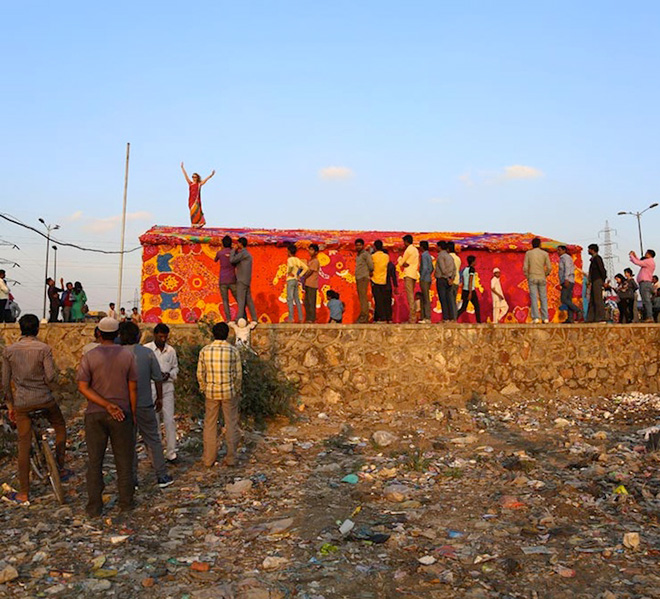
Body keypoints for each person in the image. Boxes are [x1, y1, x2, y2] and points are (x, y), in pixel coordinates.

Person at [2, 314, 70, 504]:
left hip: (22, 403)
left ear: (20, 329)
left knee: (23, 444)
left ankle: (24, 493)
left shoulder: (9, 350)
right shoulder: (44, 349)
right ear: (37, 330)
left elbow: (5, 382)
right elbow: (50, 376)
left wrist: (10, 405)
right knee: (59, 425)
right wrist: (50, 387)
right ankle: (61, 466)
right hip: (45, 399)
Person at [77, 317, 137, 516]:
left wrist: (104, 404)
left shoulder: (90, 356)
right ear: (117, 334)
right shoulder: (127, 356)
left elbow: (83, 387)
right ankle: (126, 503)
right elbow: (132, 387)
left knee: (95, 461)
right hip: (121, 413)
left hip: (95, 414)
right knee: (124, 460)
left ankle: (94, 507)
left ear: (99, 334)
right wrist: (130, 412)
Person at [119, 322, 173, 489]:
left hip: (122, 406)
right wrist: (159, 399)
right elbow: (157, 377)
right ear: (138, 336)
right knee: (153, 440)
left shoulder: (115, 355)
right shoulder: (147, 354)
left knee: (128, 443)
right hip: (144, 404)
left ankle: (131, 479)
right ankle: (162, 476)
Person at [197, 322, 243, 468]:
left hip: (211, 392)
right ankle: (231, 458)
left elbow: (200, 373)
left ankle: (208, 459)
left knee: (210, 425)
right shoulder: (233, 351)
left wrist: (204, 388)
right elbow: (238, 374)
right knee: (231, 424)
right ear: (227, 334)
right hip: (229, 392)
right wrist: (236, 389)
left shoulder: (205, 350)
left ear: (213, 334)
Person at [145, 324, 179, 462]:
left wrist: (169, 374)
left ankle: (171, 453)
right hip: (152, 387)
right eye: (160, 337)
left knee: (169, 420)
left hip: (167, 388)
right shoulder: (147, 349)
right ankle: (157, 454)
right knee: (154, 422)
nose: (163, 339)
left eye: (165, 337)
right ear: (155, 335)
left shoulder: (171, 351)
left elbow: (176, 368)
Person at [523, 238, 552, 324]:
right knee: (543, 297)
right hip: (542, 277)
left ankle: (536, 317)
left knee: (534, 298)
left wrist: (528, 276)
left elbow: (525, 268)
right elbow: (549, 267)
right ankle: (545, 318)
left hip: (532, 276)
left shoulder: (528, 253)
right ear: (540, 244)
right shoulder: (545, 254)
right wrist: (545, 274)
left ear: (532, 244)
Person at [230, 237, 257, 323]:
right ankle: (254, 318)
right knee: (249, 300)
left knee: (241, 300)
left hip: (241, 280)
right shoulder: (247, 254)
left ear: (240, 244)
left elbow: (232, 260)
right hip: (246, 280)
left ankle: (239, 318)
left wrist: (233, 250)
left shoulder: (243, 253)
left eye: (238, 243)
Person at [181, 162, 215, 228]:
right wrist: (182, 168)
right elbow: (185, 176)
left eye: (195, 177)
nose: (193, 178)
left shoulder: (199, 184)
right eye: (193, 177)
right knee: (192, 212)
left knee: (197, 212)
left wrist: (211, 175)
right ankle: (194, 224)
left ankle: (199, 223)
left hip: (196, 200)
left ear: (197, 178)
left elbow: (205, 180)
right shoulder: (190, 183)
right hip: (191, 200)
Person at [214, 235, 238, 322]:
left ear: (223, 244)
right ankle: (242, 317)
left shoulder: (220, 253)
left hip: (223, 279)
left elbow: (215, 259)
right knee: (238, 299)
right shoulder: (234, 252)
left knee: (225, 300)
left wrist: (222, 249)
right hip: (232, 279)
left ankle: (228, 319)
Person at [397, 235, 420, 324]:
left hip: (409, 274)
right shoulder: (415, 250)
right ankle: (413, 316)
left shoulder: (408, 250)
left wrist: (399, 256)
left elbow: (401, 263)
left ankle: (412, 318)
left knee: (410, 296)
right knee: (411, 296)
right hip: (414, 274)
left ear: (406, 241)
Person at [629, 249, 656, 322]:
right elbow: (640, 262)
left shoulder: (649, 261)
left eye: (646, 253)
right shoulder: (649, 262)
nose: (645, 254)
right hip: (645, 283)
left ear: (649, 254)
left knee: (646, 301)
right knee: (645, 300)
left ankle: (650, 317)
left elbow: (638, 262)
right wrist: (634, 256)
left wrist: (632, 256)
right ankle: (648, 316)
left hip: (645, 283)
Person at [557, 245, 581, 324]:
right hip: (569, 280)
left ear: (564, 250)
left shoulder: (565, 257)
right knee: (568, 299)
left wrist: (566, 279)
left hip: (567, 280)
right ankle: (570, 318)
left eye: (559, 250)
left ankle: (577, 310)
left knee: (563, 299)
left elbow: (567, 268)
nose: (558, 252)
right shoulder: (566, 258)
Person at [285, 243, 308, 323]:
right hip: (295, 280)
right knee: (297, 299)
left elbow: (291, 266)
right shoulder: (297, 260)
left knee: (290, 299)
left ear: (289, 251)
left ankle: (291, 318)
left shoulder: (290, 259)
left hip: (290, 279)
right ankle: (300, 318)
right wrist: (299, 275)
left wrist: (289, 272)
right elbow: (306, 268)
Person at [435, 241, 456, 321]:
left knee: (443, 299)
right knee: (449, 299)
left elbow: (443, 269)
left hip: (442, 279)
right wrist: (451, 278)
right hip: (449, 279)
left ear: (440, 247)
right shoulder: (450, 257)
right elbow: (454, 269)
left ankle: (445, 317)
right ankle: (451, 317)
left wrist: (447, 278)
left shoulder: (440, 256)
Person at [354, 239, 374, 323]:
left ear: (362, 245)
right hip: (359, 277)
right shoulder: (358, 255)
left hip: (363, 277)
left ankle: (364, 316)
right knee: (361, 297)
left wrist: (369, 272)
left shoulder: (365, 254)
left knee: (363, 297)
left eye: (359, 245)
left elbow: (371, 265)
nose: (358, 246)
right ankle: (363, 315)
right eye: (357, 245)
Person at [457, 255, 481, 322]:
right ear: (472, 262)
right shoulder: (471, 269)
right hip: (470, 290)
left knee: (463, 307)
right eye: (475, 261)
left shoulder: (465, 269)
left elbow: (464, 280)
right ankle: (478, 322)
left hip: (464, 290)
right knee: (477, 306)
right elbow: (470, 280)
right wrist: (470, 292)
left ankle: (455, 317)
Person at [587, 243, 607, 323]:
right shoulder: (593, 259)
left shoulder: (597, 258)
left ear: (592, 250)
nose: (588, 251)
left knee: (598, 299)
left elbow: (602, 270)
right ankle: (591, 318)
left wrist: (603, 280)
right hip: (594, 281)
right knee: (592, 299)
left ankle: (600, 317)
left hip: (597, 280)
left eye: (589, 249)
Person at [370, 240, 390, 322]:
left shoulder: (373, 256)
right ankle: (377, 317)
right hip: (384, 280)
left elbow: (371, 267)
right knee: (382, 299)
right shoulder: (386, 256)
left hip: (375, 280)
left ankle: (382, 317)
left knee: (378, 300)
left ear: (375, 247)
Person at [302, 244, 320, 323]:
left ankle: (312, 319)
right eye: (309, 249)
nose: (310, 251)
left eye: (312, 250)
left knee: (311, 302)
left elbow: (310, 271)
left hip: (312, 284)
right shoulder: (310, 261)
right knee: (307, 302)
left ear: (316, 252)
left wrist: (303, 276)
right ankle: (308, 318)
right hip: (307, 284)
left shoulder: (315, 261)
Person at [418, 240, 433, 323]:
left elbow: (424, 268)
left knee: (425, 298)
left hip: (424, 279)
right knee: (425, 297)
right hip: (428, 278)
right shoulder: (429, 255)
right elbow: (431, 268)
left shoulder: (424, 255)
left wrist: (422, 277)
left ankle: (427, 317)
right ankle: (425, 317)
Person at [384, 250, 398, 323]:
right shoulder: (390, 264)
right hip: (388, 285)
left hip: (382, 285)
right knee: (388, 302)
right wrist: (395, 286)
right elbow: (394, 276)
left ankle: (384, 317)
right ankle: (388, 318)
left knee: (382, 301)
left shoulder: (380, 264)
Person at [448, 242, 461, 320]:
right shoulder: (458, 258)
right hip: (457, 280)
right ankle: (454, 317)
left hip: (451, 280)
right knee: (454, 299)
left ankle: (453, 317)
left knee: (451, 300)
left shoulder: (449, 257)